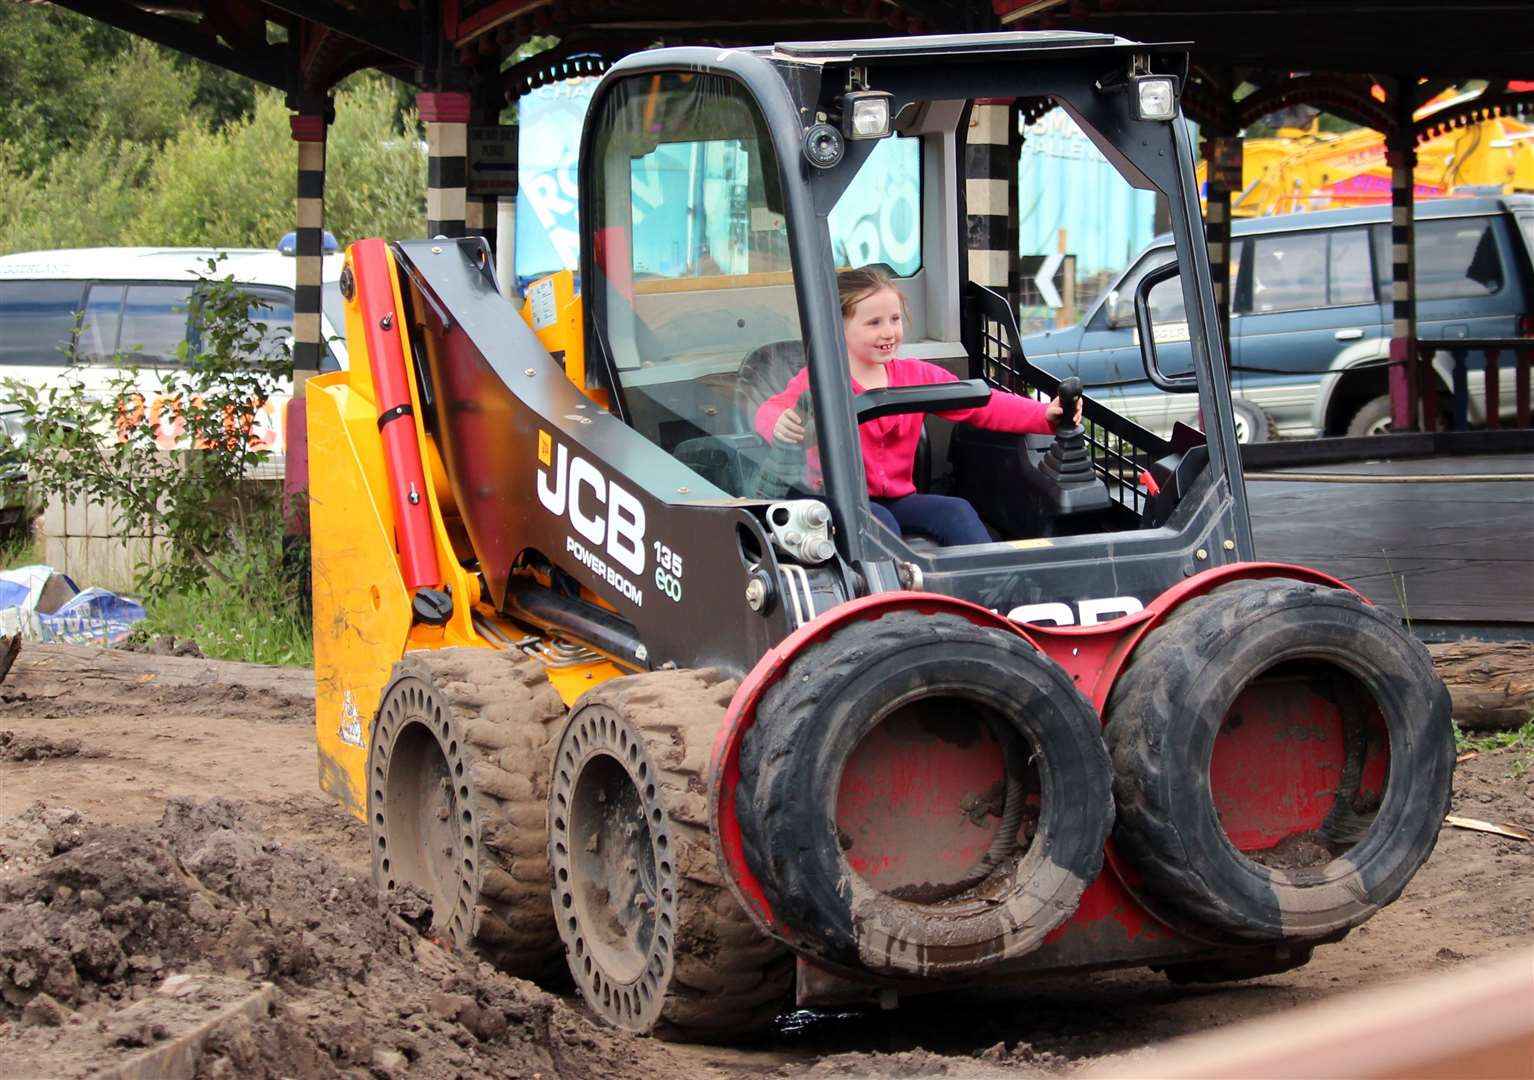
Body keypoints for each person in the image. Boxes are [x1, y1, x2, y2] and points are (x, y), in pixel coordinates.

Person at [754, 266, 1082, 547]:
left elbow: (981, 404)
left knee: (957, 512)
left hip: (900, 499)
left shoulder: (916, 375)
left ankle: (987, 603)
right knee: (880, 524)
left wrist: (1044, 416)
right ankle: (897, 610)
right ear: (836, 328)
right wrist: (779, 422)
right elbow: (770, 410)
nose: (889, 332)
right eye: (874, 323)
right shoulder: (819, 378)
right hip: (837, 500)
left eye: (895, 319)